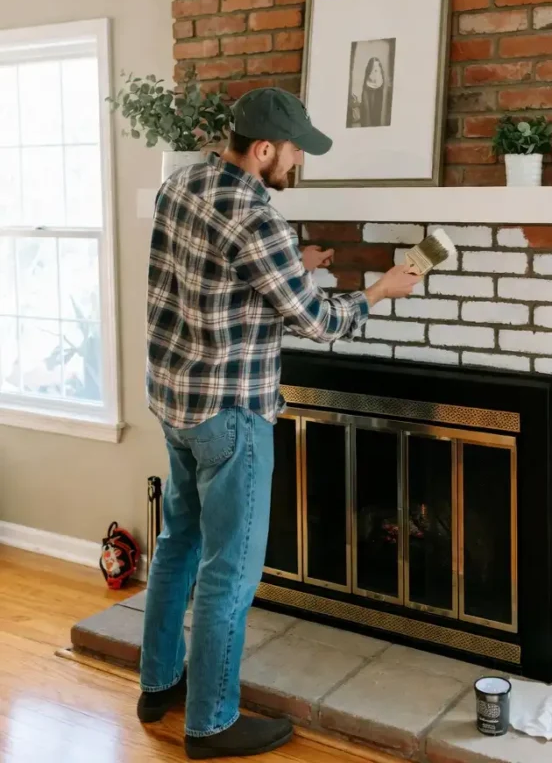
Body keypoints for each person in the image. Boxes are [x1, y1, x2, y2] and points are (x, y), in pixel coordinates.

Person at [138, 87, 419, 760]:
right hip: (232, 416)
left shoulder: (184, 183)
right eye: (294, 152)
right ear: (264, 149)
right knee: (229, 573)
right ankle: (210, 723)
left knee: (178, 544)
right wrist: (378, 292)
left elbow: (212, 281)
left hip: (176, 404)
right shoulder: (257, 220)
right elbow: (319, 323)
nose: (298, 164)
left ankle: (158, 683)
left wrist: (298, 265)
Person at [359, 55, 392, 128]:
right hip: (368, 91)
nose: (375, 69)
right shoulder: (366, 85)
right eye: (373, 67)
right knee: (368, 114)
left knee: (377, 114)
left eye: (377, 66)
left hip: (378, 92)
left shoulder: (382, 79)